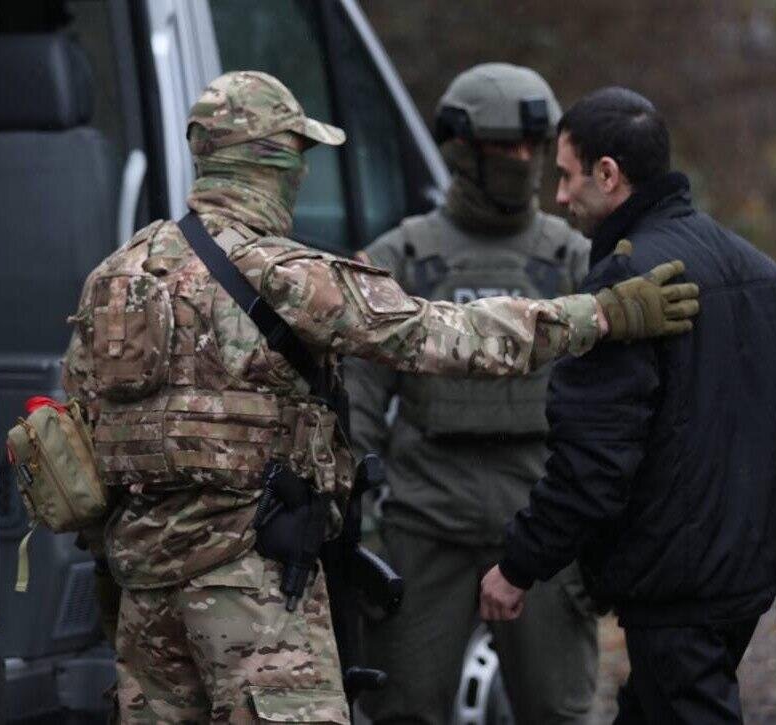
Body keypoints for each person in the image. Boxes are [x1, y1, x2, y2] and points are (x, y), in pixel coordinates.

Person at [61, 71, 700, 724]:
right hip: (251, 589)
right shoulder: (289, 276)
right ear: (276, 165)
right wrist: (600, 315)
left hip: (144, 592)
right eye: (299, 157)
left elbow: (75, 442)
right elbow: (443, 336)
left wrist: (119, 559)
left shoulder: (117, 276)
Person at [478, 87, 776, 724]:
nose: (559, 196)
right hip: (738, 579)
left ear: (608, 174)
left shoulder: (629, 287)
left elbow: (593, 458)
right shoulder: (761, 270)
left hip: (676, 588)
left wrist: (518, 565)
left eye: (566, 176)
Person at [346, 63, 598, 725]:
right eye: (502, 147)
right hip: (424, 519)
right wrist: (360, 525)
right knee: (401, 710)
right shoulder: (400, 260)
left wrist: (603, 521)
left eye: (532, 146)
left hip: (542, 519)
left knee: (558, 711)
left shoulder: (577, 261)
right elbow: (355, 404)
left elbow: (615, 412)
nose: (521, 161)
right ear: (462, 150)